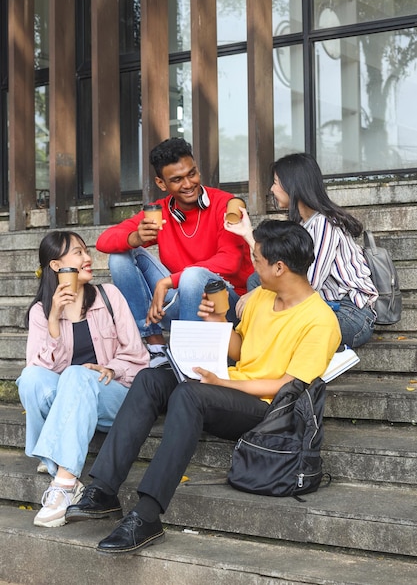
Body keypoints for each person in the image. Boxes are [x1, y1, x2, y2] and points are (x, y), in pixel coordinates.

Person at [65, 220, 341, 554]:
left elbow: (288, 385)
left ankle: (148, 515)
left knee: (190, 394)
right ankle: (104, 490)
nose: (252, 267)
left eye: (257, 260)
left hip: (269, 410)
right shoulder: (263, 298)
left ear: (279, 267)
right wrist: (219, 325)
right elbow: (243, 349)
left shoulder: (320, 320)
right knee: (152, 379)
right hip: (233, 389)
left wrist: (222, 382)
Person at [17, 231, 149, 528]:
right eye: (78, 253)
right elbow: (39, 371)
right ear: (56, 266)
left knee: (77, 374)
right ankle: (61, 466)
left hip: (113, 396)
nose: (88, 258)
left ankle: (63, 482)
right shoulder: (42, 311)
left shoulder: (109, 296)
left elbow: (139, 358)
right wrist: (54, 319)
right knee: (30, 378)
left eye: (85, 251)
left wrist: (112, 368)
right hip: (72, 397)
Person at [95, 137, 253, 366]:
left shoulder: (225, 204)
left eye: (192, 173)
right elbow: (103, 241)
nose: (188, 184)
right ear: (161, 183)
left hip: (224, 304)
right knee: (120, 256)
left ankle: (187, 360)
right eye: (177, 180)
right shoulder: (160, 213)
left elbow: (229, 262)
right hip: (181, 301)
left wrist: (167, 281)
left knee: (193, 276)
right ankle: (156, 344)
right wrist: (135, 238)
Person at [226, 153, 378, 349]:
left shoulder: (325, 225)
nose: (271, 189)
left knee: (273, 316)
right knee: (256, 281)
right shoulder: (303, 224)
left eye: (275, 182)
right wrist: (247, 233)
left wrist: (256, 295)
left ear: (292, 185)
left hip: (350, 315)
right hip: (322, 307)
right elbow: (272, 266)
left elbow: (307, 284)